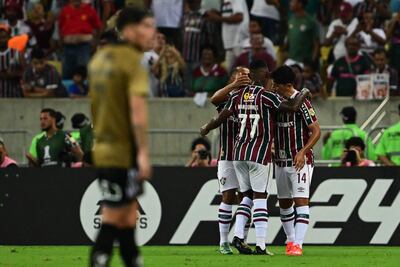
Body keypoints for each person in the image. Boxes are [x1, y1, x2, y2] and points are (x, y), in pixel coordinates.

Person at [200, 63, 311, 255]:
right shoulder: (266, 96)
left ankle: (237, 235)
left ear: (251, 76)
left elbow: (219, 118)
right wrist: (304, 92)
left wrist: (206, 128)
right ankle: (260, 245)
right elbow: (292, 106)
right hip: (258, 154)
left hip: (238, 153)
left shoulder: (236, 97)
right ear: (264, 77)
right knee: (260, 198)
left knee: (246, 196)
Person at [89, 7, 155, 267]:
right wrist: (143, 154)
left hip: (103, 148)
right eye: (147, 26)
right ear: (129, 29)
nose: (153, 32)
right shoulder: (132, 60)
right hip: (122, 151)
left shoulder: (99, 59)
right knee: (113, 218)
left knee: (128, 219)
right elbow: (137, 114)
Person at [272, 65, 321, 256]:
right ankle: (290, 240)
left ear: (288, 85)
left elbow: (316, 131)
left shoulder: (303, 103)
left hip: (301, 161)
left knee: (300, 200)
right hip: (280, 161)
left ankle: (297, 244)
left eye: (277, 85)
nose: (274, 88)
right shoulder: (277, 101)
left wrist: (302, 151)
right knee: (284, 203)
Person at [209, 66, 251, 254]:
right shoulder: (227, 98)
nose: (244, 78)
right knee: (228, 196)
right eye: (239, 76)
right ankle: (223, 241)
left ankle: (241, 239)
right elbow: (214, 99)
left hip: (248, 156)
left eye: (247, 76)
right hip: (227, 156)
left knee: (247, 197)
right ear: (232, 79)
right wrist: (234, 85)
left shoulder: (253, 98)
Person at [59, 0, 101, 79]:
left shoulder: (90, 10)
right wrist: (61, 42)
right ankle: (66, 91)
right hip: (68, 48)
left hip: (83, 47)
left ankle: (84, 90)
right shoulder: (65, 11)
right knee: (66, 73)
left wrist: (95, 43)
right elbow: (60, 28)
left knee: (84, 73)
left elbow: (97, 27)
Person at [205, 0, 249, 72]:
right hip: (229, 42)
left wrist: (217, 18)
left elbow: (239, 17)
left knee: (244, 71)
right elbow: (228, 14)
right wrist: (217, 14)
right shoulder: (225, 1)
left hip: (239, 40)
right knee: (230, 72)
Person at [284, 0, 319, 66]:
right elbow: (288, 38)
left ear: (300, 4)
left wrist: (312, 62)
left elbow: (316, 44)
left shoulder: (311, 21)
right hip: (291, 59)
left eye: (292, 2)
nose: (290, 3)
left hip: (304, 62)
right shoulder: (290, 19)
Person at [0, 24, 23, 98]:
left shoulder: (16, 53)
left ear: (9, 37)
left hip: (13, 94)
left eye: (3, 37)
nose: (1, 40)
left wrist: (13, 74)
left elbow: (25, 72)